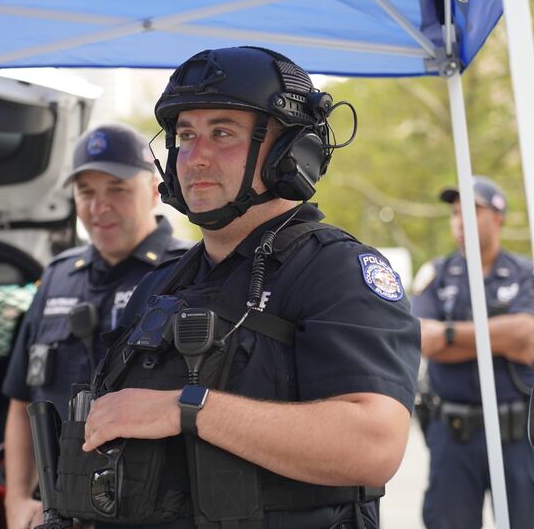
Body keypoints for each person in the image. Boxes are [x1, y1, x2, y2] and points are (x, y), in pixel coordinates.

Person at [51, 46, 421, 529]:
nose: (196, 157)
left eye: (222, 133)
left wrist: (186, 409)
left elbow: (373, 445)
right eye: (185, 135)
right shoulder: (159, 288)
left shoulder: (337, 271)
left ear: (291, 152)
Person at [1, 123, 191, 529]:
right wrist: (17, 501)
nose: (98, 206)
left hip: (151, 511)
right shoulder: (57, 278)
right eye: (86, 191)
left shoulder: (190, 274)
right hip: (58, 510)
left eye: (117, 189)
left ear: (155, 191)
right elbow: (21, 401)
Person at [411, 176, 534, 529]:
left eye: (472, 211)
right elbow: (424, 340)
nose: (460, 221)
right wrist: (499, 338)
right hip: (452, 436)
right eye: (454, 212)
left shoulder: (525, 273)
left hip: (517, 436)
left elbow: (526, 338)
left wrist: (449, 334)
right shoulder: (437, 275)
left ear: (498, 217)